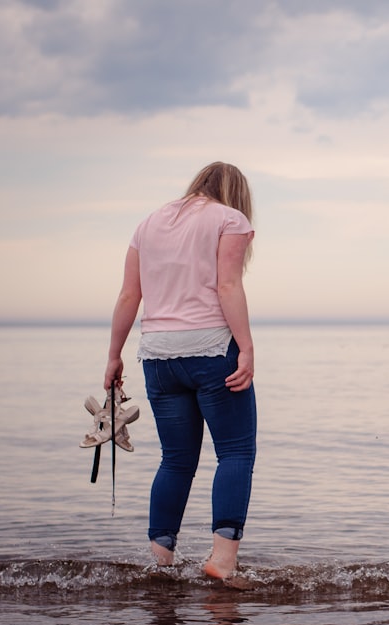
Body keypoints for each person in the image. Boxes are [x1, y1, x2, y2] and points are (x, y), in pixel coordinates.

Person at [103, 161, 257, 580]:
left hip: (157, 356)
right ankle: (223, 562)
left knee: (175, 460)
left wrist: (114, 356)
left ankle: (160, 564)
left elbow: (128, 295)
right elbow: (228, 286)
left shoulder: (148, 224)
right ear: (236, 193)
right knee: (236, 453)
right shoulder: (230, 218)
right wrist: (246, 348)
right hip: (211, 350)